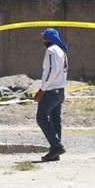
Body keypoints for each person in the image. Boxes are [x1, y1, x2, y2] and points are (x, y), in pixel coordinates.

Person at [34, 28, 69, 162]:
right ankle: (55, 152)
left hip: (50, 91)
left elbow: (50, 71)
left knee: (41, 118)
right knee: (55, 121)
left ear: (49, 38)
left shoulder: (51, 51)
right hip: (60, 91)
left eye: (45, 38)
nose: (43, 41)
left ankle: (56, 146)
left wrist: (42, 89)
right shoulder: (62, 51)